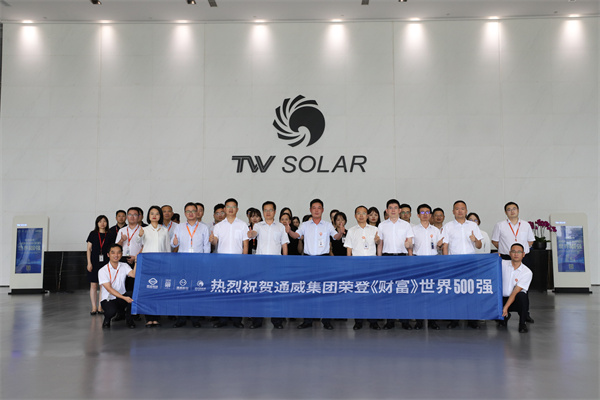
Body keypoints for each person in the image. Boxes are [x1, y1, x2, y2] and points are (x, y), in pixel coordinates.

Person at [287, 199, 343, 330]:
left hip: (324, 259)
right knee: (308, 291)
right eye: (314, 208)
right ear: (310, 210)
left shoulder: (327, 225)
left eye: (319, 208)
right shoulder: (305, 225)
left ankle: (326, 321)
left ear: (322, 210)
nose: (316, 210)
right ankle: (307, 320)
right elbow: (296, 235)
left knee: (325, 291)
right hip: (309, 260)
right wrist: (289, 231)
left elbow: (336, 237)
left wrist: (340, 232)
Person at [247, 201, 290, 329]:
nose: (268, 212)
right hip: (260, 264)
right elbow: (254, 234)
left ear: (275, 212)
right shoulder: (258, 225)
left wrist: (285, 262)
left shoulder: (280, 227)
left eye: (270, 210)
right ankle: (257, 321)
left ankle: (277, 321)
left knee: (276, 293)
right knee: (258, 293)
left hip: (276, 264)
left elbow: (284, 245)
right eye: (265, 210)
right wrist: (251, 234)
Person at [442, 200, 483, 329]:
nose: (460, 211)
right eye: (457, 209)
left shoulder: (473, 225)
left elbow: (479, 245)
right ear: (453, 211)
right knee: (455, 291)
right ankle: (454, 319)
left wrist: (475, 240)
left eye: (462, 209)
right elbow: (445, 246)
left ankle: (472, 319)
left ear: (466, 211)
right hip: (454, 263)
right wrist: (446, 262)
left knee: (471, 291)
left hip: (470, 262)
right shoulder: (448, 226)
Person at [210, 198, 249, 328]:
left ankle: (237, 320)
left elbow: (245, 245)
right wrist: (212, 240)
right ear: (224, 209)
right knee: (223, 290)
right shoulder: (219, 226)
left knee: (237, 290)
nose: (230, 209)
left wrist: (244, 261)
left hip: (238, 262)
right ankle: (222, 319)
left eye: (233, 207)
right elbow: (215, 242)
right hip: (222, 262)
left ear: (237, 209)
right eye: (228, 207)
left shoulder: (242, 225)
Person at [171, 202, 211, 328]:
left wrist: (205, 262)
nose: (191, 213)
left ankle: (195, 318)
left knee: (196, 291)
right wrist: (174, 242)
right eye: (188, 211)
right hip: (183, 263)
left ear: (197, 212)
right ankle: (181, 318)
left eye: (193, 211)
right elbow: (173, 244)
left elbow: (206, 246)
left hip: (198, 263)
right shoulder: (179, 227)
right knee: (182, 290)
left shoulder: (204, 227)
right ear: (185, 213)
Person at [377, 199, 414, 330]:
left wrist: (410, 259)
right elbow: (380, 244)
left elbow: (410, 245)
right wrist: (379, 260)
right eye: (390, 208)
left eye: (395, 207)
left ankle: (405, 321)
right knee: (389, 291)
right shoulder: (382, 225)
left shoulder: (406, 225)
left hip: (402, 258)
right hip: (387, 258)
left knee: (403, 290)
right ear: (387, 210)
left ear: (399, 210)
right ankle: (390, 321)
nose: (393, 210)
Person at [344, 205, 381, 330]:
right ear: (355, 216)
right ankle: (358, 321)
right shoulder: (351, 231)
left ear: (367, 216)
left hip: (372, 265)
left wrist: (378, 241)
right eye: (358, 213)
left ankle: (373, 321)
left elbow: (379, 245)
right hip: (357, 265)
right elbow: (349, 249)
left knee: (372, 293)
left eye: (364, 213)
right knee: (358, 293)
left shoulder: (375, 229)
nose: (361, 215)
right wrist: (349, 265)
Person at [136, 206, 171, 327]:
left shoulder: (164, 230)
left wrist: (168, 264)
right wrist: (139, 235)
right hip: (148, 264)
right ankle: (148, 317)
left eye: (157, 213)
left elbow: (167, 249)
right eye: (152, 213)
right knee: (148, 290)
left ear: (160, 216)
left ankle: (156, 317)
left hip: (161, 264)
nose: (154, 216)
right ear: (148, 216)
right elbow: (137, 242)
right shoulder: (144, 229)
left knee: (158, 290)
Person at [411, 204, 442, 330]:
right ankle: (419, 321)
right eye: (422, 212)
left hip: (433, 262)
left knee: (432, 291)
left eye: (427, 212)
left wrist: (440, 245)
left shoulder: (435, 230)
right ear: (418, 215)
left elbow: (439, 246)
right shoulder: (413, 229)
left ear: (430, 215)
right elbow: (410, 246)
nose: (425, 214)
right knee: (419, 292)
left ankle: (432, 320)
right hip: (418, 262)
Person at [98, 244, 137, 329]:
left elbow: (133, 275)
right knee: (111, 311)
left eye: (119, 252)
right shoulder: (102, 270)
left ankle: (129, 320)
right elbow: (109, 289)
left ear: (122, 254)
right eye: (113, 253)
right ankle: (107, 319)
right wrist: (124, 298)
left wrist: (136, 262)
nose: (116, 255)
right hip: (108, 298)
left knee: (134, 295)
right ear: (108, 255)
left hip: (121, 297)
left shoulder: (124, 265)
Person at [498, 243, 533, 333]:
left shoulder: (527, 272)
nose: (516, 254)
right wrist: (495, 255)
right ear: (510, 253)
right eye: (513, 251)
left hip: (515, 300)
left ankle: (522, 323)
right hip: (501, 299)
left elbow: (515, 292)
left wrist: (505, 307)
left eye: (519, 252)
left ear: (523, 254)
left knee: (522, 296)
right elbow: (491, 259)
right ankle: (504, 317)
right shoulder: (502, 263)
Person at [86, 215, 110, 315]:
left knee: (103, 285)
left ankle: (100, 306)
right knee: (93, 284)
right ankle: (94, 307)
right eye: (100, 221)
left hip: (105, 263)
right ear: (97, 223)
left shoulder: (109, 234)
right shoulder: (93, 234)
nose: (102, 223)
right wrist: (89, 263)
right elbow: (88, 249)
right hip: (94, 262)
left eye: (104, 221)